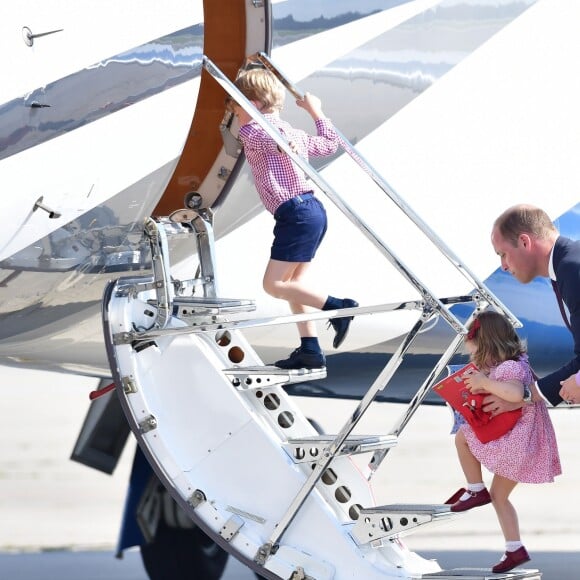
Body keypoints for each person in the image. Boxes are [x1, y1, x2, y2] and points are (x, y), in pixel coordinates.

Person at [227, 68, 357, 369]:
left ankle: (339, 308)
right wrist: (317, 112)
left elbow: (267, 138)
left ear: (253, 104)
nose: (233, 112)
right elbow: (328, 144)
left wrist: (283, 143)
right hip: (311, 211)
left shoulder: (254, 132)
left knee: (272, 285)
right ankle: (310, 349)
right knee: (294, 284)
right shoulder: (292, 133)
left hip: (296, 213)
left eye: (234, 104)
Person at [445, 311, 561, 573]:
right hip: (524, 444)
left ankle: (475, 489)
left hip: (518, 443)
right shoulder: (515, 364)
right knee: (499, 496)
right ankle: (514, 549)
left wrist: (484, 382)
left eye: (475, 353)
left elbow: (514, 392)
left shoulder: (509, 367)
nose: (474, 359)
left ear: (486, 345)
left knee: (464, 437)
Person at [490, 204, 580, 407]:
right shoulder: (569, 263)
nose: (503, 266)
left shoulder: (573, 269)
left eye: (502, 254)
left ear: (524, 242)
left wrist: (526, 395)